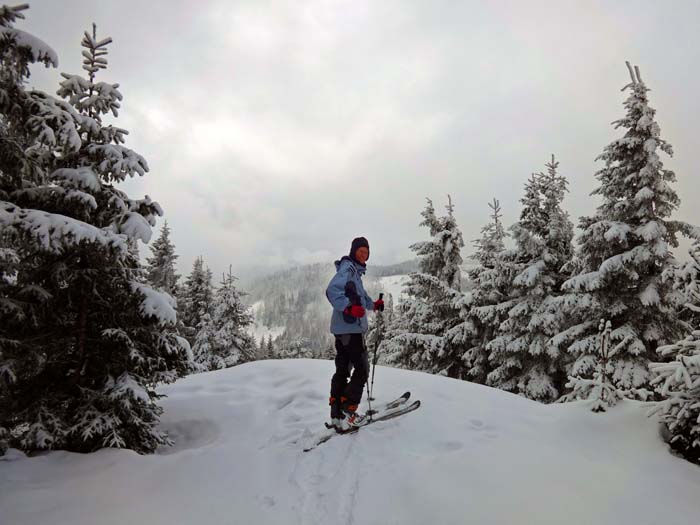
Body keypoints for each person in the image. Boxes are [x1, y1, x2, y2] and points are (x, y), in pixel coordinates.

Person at [325, 236, 384, 432]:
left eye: (366, 252)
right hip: (350, 329)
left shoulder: (355, 273)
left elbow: (361, 298)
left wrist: (373, 305)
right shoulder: (348, 268)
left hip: (342, 330)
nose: (363, 254)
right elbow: (332, 291)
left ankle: (336, 413)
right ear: (353, 251)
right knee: (362, 369)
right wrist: (349, 309)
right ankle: (349, 411)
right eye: (360, 250)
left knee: (343, 369)